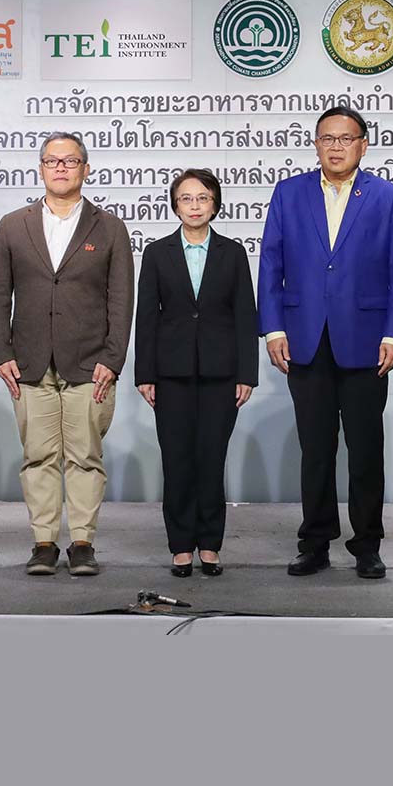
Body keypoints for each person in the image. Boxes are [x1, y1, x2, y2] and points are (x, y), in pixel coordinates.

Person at [257, 105, 393, 579]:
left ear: (363, 145)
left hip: (366, 340)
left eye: (346, 138)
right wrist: (274, 328)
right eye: (327, 138)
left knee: (365, 449)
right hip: (304, 338)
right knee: (316, 449)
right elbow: (271, 263)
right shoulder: (289, 192)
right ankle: (314, 542)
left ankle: (367, 544)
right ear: (316, 144)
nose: (336, 146)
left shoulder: (386, 196)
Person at [0, 132, 134, 577]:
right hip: (28, 362)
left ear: (85, 169)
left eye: (70, 161)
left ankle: (83, 543)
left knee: (85, 456)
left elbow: (121, 300)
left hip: (91, 363)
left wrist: (113, 358)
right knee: (38, 456)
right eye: (53, 161)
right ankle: (44, 543)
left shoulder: (109, 227)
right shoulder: (13, 225)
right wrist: (1, 353)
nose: (61, 168)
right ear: (41, 168)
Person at [134, 169, 259, 577]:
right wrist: (145, 374)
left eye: (202, 198)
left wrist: (247, 374)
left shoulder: (232, 252)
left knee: (211, 458)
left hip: (221, 374)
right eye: (186, 199)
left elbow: (245, 315)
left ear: (215, 205)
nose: (194, 206)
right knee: (177, 460)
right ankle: (180, 545)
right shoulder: (157, 252)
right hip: (170, 374)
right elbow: (146, 317)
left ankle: (210, 544)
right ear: (175, 206)